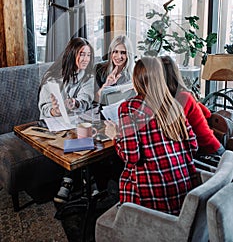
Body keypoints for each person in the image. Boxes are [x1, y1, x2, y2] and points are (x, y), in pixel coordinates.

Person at [105, 56, 198, 216]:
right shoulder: (175, 104)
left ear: (136, 80)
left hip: (153, 199)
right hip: (183, 196)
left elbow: (131, 157)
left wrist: (116, 135)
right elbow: (194, 145)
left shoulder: (129, 108)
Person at [38, 37, 95, 203]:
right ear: (71, 54)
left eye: (88, 55)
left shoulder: (88, 77)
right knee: (75, 136)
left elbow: (85, 101)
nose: (86, 59)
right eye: (82, 54)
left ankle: (72, 180)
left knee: (85, 134)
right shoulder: (52, 77)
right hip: (53, 124)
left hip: (75, 120)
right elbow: (43, 108)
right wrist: (55, 110)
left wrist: (73, 102)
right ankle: (84, 180)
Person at [160, 55, 225, 157]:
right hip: (208, 145)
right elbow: (207, 114)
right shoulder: (183, 94)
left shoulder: (182, 97)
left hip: (209, 149)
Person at [94, 35, 134, 102]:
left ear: (128, 55)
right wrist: (106, 86)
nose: (119, 56)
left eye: (123, 52)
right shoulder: (99, 69)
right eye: (115, 51)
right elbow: (95, 100)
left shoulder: (133, 73)